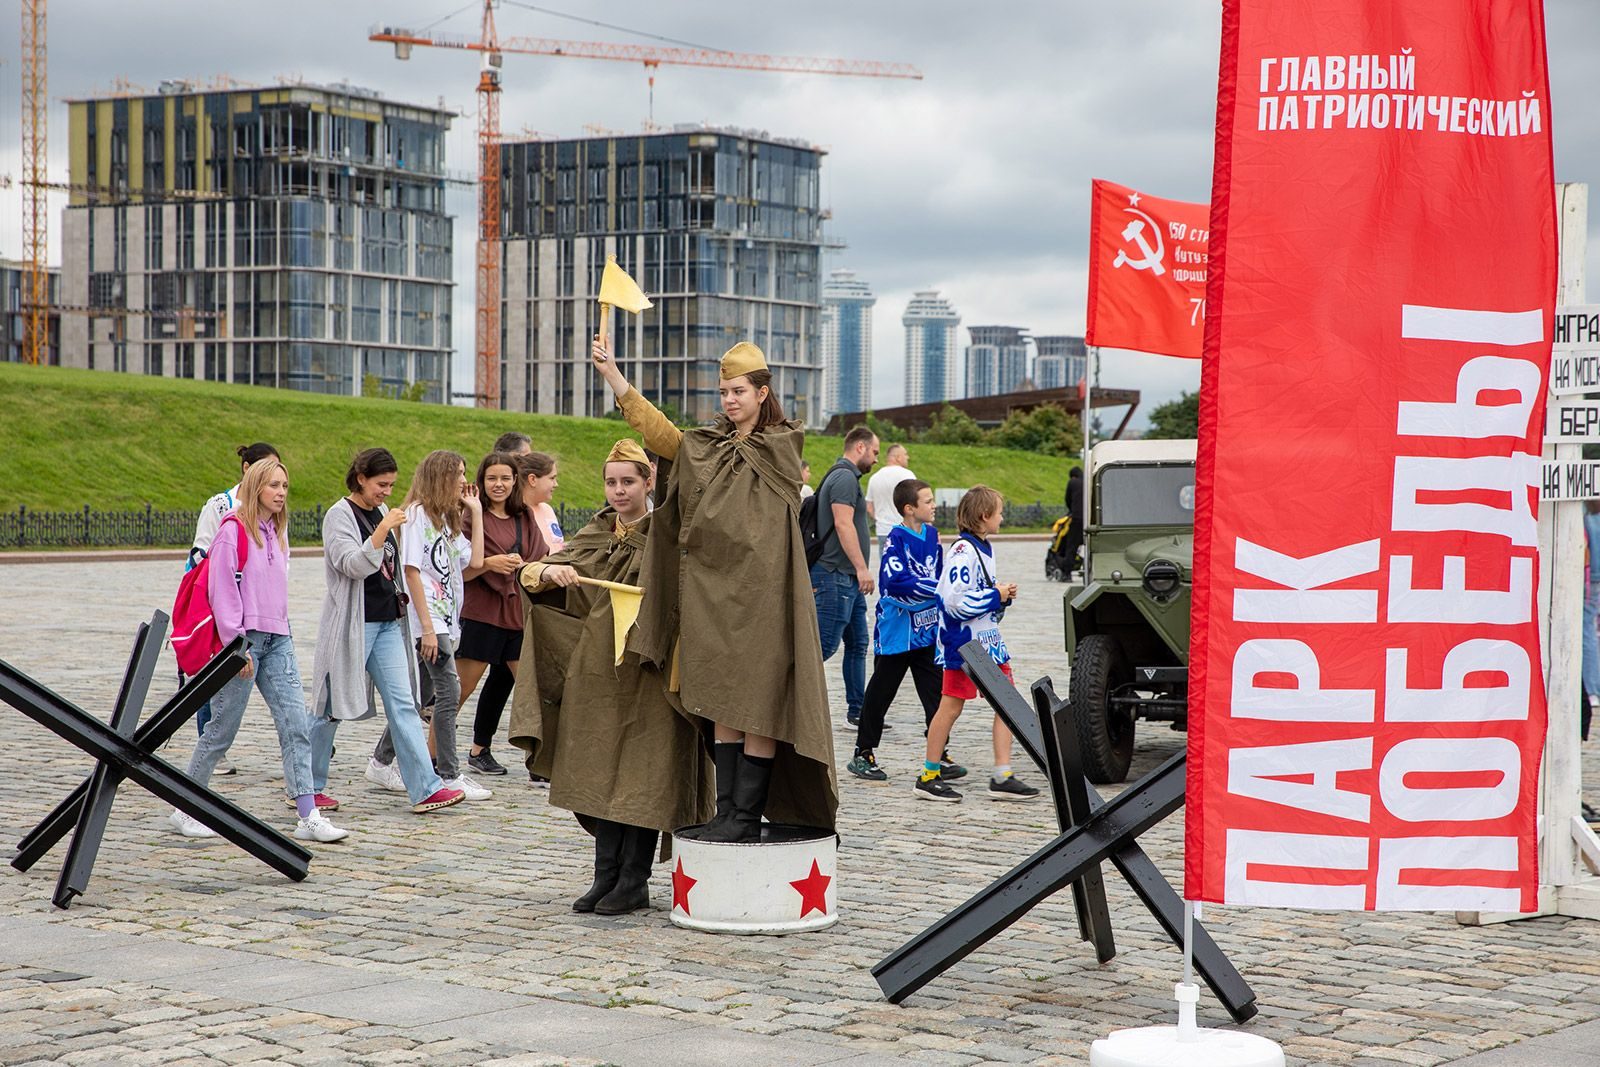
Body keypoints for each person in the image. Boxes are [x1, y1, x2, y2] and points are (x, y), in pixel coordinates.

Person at [592, 334, 837, 843]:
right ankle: (728, 812)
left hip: (764, 600)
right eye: (724, 391)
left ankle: (747, 816)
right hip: (713, 598)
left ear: (762, 393)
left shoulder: (782, 447)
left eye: (739, 391)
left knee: (761, 703)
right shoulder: (705, 446)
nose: (729, 399)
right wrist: (616, 378)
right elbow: (661, 434)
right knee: (722, 701)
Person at [509, 439, 712, 913]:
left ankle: (634, 881)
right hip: (603, 672)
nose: (618, 491)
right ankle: (606, 874)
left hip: (652, 670)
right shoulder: (600, 530)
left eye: (628, 482)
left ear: (649, 483)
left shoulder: (669, 533)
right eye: (611, 482)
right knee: (601, 769)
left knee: (643, 773)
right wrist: (545, 574)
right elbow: (538, 571)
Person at [170, 457, 349, 843]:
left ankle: (308, 815)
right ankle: (184, 807)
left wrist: (280, 630)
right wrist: (237, 645)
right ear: (255, 487)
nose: (281, 493)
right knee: (221, 729)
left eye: (285, 486)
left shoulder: (277, 531)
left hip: (278, 638)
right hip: (243, 643)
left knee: (295, 725)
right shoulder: (232, 530)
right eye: (273, 486)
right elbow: (221, 591)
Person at [310, 448, 464, 814]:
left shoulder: (381, 510)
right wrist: (381, 531)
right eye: (381, 484)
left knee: (405, 704)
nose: (387, 493)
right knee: (329, 705)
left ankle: (425, 787)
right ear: (361, 478)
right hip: (353, 625)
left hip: (387, 623)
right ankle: (306, 784)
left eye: (392, 485)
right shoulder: (339, 515)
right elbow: (351, 564)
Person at [369, 451, 490, 801]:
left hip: (448, 618)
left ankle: (380, 760)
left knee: (420, 695)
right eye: (459, 475)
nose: (464, 482)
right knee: (448, 691)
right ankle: (448, 773)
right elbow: (411, 572)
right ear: (441, 478)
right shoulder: (417, 515)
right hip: (428, 618)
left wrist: (475, 513)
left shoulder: (446, 520)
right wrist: (426, 627)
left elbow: (476, 561)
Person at [917, 485, 1041, 803]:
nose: (1003, 517)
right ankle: (929, 774)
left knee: (1008, 703)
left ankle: (1002, 773)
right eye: (999, 512)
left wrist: (1000, 595)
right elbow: (954, 600)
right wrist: (994, 595)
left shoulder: (983, 547)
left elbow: (978, 594)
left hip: (987, 641)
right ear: (985, 516)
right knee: (951, 706)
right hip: (964, 643)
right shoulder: (964, 550)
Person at [847, 478, 962, 783]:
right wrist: (939, 590)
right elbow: (895, 583)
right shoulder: (895, 540)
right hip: (897, 633)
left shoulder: (933, 535)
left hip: (926, 633)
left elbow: (942, 576)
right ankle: (863, 752)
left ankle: (939, 753)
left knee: (935, 694)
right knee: (881, 693)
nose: (934, 505)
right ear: (910, 509)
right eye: (927, 501)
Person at [185, 441, 280, 768]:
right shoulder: (221, 505)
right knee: (214, 673)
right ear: (247, 469)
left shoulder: (272, 514)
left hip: (255, 608)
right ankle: (208, 741)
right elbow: (200, 554)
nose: (276, 484)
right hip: (219, 600)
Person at [458, 452, 537, 777]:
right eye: (492, 478)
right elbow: (458, 568)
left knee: (531, 689)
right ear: (481, 481)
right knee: (459, 691)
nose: (499, 484)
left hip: (516, 613)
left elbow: (539, 556)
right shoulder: (470, 516)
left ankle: (538, 760)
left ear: (515, 480)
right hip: (482, 613)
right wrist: (489, 564)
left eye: (505, 478)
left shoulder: (525, 516)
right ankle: (429, 759)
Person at [813, 426, 881, 727]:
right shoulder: (843, 477)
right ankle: (785, 697)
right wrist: (862, 568)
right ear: (860, 447)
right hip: (834, 575)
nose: (876, 459)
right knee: (824, 645)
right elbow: (843, 525)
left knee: (857, 644)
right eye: (875, 452)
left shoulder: (848, 477)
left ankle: (859, 711)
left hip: (846, 579)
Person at [865, 443, 917, 553]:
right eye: (905, 454)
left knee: (886, 566)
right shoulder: (907, 475)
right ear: (898, 457)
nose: (908, 457)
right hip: (905, 530)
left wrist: (879, 519)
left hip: (883, 530)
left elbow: (869, 506)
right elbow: (917, 502)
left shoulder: (874, 478)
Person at [1063, 466, 1085, 577]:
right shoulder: (1088, 481)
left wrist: (1072, 510)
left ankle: (1067, 573)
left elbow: (1067, 499)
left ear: (1073, 476)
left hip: (1077, 518)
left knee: (1072, 546)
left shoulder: (1073, 482)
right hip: (1091, 518)